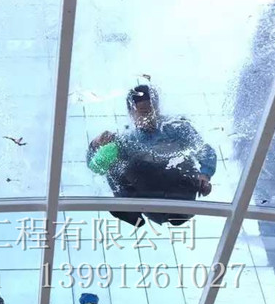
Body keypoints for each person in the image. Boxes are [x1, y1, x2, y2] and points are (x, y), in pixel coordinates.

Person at [86, 83, 217, 228]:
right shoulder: (128, 139)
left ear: (157, 108)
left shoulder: (175, 127)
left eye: (151, 110)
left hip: (180, 190)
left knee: (168, 154)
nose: (148, 116)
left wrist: (205, 175)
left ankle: (178, 212)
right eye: (143, 111)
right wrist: (95, 144)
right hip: (150, 194)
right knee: (115, 159)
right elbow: (95, 165)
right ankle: (128, 209)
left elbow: (204, 150)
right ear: (132, 113)